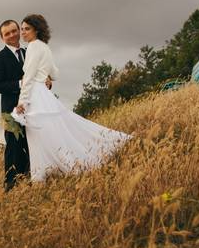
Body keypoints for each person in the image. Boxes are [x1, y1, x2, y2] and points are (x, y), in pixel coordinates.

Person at [11, 14, 131, 182]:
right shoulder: (45, 47)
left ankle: (44, 175)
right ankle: (52, 170)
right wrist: (46, 77)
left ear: (36, 30)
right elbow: (55, 73)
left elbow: (29, 77)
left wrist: (21, 102)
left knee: (39, 137)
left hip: (35, 95)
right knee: (52, 132)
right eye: (22, 29)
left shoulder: (32, 47)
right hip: (44, 94)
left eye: (26, 29)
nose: (23, 32)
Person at [0, 19, 39, 191]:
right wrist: (20, 83)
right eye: (7, 33)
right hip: (10, 112)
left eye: (13, 31)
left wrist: (46, 82)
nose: (11, 35)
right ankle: (10, 185)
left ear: (19, 31)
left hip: (33, 107)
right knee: (13, 147)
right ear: (2, 37)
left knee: (33, 143)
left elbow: (38, 75)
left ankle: (33, 176)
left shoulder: (29, 52)